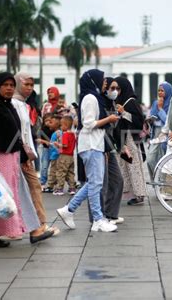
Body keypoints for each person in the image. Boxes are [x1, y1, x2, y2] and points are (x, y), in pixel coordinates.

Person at [0, 72, 36, 248]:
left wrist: (23, 155)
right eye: (5, 85)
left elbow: (15, 134)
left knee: (5, 196)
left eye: (12, 85)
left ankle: (0, 233)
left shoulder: (8, 106)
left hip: (10, 157)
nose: (9, 88)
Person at [56, 69, 119, 232]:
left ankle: (69, 210)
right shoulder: (90, 98)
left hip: (94, 144)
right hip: (90, 144)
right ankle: (97, 219)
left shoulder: (93, 97)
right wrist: (109, 119)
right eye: (102, 79)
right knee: (96, 183)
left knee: (93, 182)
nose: (105, 82)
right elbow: (89, 123)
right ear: (94, 80)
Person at [13, 72, 57, 239]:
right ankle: (34, 225)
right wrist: (25, 157)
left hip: (25, 155)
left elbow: (27, 133)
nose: (30, 88)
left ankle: (39, 224)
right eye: (26, 84)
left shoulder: (24, 104)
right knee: (29, 188)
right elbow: (18, 133)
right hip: (19, 154)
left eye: (32, 85)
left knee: (33, 187)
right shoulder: (15, 104)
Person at [112, 76, 148, 206]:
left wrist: (124, 112)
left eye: (118, 88)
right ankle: (130, 193)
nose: (116, 90)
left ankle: (139, 194)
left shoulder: (131, 102)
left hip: (131, 138)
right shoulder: (121, 100)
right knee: (125, 165)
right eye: (115, 88)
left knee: (134, 166)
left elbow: (139, 121)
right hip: (123, 138)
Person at [100, 77, 124, 224]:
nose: (115, 91)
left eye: (117, 89)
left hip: (110, 146)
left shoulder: (113, 104)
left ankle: (110, 214)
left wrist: (122, 146)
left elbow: (115, 129)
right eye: (112, 88)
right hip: (102, 147)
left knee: (117, 180)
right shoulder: (100, 102)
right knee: (101, 184)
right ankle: (101, 216)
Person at [146, 81, 172, 179]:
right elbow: (153, 116)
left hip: (165, 133)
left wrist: (160, 109)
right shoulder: (155, 103)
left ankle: (162, 184)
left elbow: (168, 121)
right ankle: (156, 180)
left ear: (168, 91)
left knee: (163, 159)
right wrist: (149, 120)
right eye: (159, 90)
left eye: (162, 91)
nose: (160, 93)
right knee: (150, 159)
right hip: (156, 133)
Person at [52, 115, 77, 196]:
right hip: (71, 156)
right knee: (70, 172)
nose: (61, 127)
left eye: (61, 125)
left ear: (66, 125)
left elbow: (65, 145)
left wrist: (57, 144)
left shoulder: (65, 135)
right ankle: (72, 188)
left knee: (61, 172)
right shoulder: (73, 134)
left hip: (64, 156)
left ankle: (59, 188)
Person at [40, 115, 61, 193]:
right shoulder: (43, 129)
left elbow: (52, 142)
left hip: (54, 150)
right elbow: (40, 138)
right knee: (45, 167)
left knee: (54, 168)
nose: (48, 123)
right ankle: (42, 183)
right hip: (46, 149)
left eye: (50, 121)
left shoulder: (56, 131)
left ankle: (54, 184)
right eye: (46, 121)